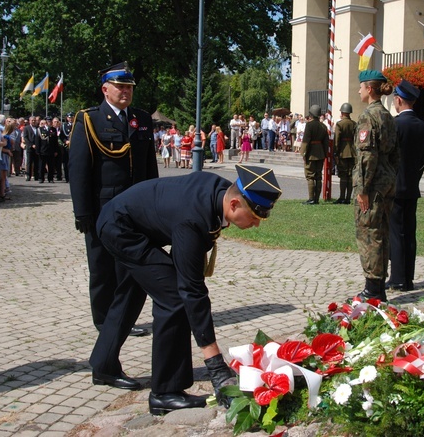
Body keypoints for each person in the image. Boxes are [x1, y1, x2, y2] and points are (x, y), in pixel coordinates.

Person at [89, 165, 282, 414]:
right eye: (255, 217)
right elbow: (191, 289)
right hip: (120, 228)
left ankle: (103, 365)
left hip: (133, 222)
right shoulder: (193, 218)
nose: (256, 224)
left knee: (134, 292)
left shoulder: (219, 194)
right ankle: (165, 392)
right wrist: (214, 362)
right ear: (234, 204)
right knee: (174, 298)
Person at [69, 61, 159, 336]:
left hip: (134, 208)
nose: (126, 92)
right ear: (105, 89)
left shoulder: (141, 119)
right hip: (102, 206)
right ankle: (104, 321)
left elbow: (149, 167)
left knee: (128, 267)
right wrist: (82, 212)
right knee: (102, 267)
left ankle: (124, 319)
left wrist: (154, 206)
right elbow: (79, 169)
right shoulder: (89, 119)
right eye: (120, 86)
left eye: (129, 87)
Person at [353, 70, 399, 301]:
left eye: (361, 86)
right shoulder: (388, 116)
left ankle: (372, 290)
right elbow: (396, 155)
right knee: (382, 232)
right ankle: (378, 287)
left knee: (369, 234)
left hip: (372, 185)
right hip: (387, 181)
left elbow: (366, 156)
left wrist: (363, 189)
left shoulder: (368, 116)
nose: (359, 90)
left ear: (369, 89)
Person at [386, 80, 424, 292]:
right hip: (412, 185)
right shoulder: (423, 126)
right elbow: (422, 159)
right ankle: (408, 277)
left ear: (399, 100)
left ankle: (398, 278)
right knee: (409, 233)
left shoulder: (396, 124)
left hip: (394, 186)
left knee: (396, 234)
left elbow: (388, 157)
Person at [301, 105, 328, 204]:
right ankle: (316, 199)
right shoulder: (323, 126)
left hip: (311, 153)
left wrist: (303, 153)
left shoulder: (309, 125)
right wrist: (325, 154)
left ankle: (311, 198)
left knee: (310, 176)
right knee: (318, 176)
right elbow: (326, 142)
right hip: (320, 153)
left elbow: (306, 141)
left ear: (311, 114)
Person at [334, 102, 356, 204]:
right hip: (352, 152)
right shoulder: (354, 124)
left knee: (343, 176)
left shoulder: (339, 124)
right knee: (350, 175)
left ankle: (342, 197)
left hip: (343, 152)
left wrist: (336, 152)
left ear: (342, 112)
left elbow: (337, 140)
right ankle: (348, 198)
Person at [37, 117, 59, 184]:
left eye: (50, 121)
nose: (49, 122)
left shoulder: (53, 129)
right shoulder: (40, 129)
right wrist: (37, 150)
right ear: (46, 122)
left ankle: (50, 178)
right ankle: (41, 178)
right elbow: (37, 141)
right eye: (48, 121)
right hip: (43, 150)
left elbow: (55, 141)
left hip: (51, 150)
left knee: (51, 166)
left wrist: (56, 150)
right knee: (42, 166)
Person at [21, 116, 40, 181]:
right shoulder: (26, 128)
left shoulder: (38, 128)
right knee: (29, 162)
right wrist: (31, 145)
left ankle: (36, 175)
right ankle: (28, 175)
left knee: (36, 162)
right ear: (29, 121)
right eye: (32, 120)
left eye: (34, 120)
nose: (33, 121)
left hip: (37, 148)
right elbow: (25, 137)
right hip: (30, 147)